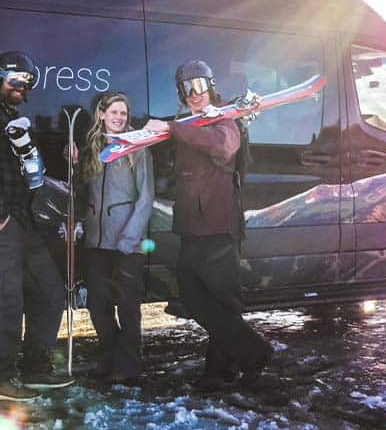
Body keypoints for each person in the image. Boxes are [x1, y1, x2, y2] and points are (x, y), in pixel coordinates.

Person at [144, 60, 271, 388]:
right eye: (187, 88)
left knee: (221, 301)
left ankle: (228, 366)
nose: (194, 94)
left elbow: (224, 147)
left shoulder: (224, 116)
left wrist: (172, 128)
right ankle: (233, 362)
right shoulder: (193, 120)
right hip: (192, 224)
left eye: (199, 85)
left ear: (211, 85)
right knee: (194, 295)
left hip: (217, 225)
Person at [0, 51, 75, 402]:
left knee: (50, 290)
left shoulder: (14, 118)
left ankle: (35, 368)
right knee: (5, 299)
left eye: (26, 82)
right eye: (14, 80)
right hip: (1, 222)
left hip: (24, 224)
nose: (20, 87)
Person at [70, 91, 154, 383]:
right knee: (98, 305)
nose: (119, 118)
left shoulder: (137, 146)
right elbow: (81, 192)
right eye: (114, 112)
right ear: (101, 114)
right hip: (96, 241)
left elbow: (146, 196)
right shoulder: (92, 146)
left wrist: (131, 237)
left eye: (123, 113)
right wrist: (74, 163)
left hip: (127, 242)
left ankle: (128, 366)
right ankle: (109, 358)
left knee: (128, 305)